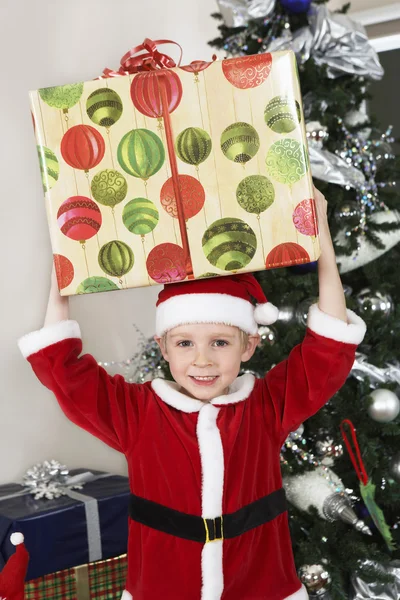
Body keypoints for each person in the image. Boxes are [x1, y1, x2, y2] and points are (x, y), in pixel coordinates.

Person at [17, 187, 366, 600]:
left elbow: (328, 350)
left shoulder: (266, 407)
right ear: (163, 347)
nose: (202, 361)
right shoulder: (135, 413)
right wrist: (65, 268)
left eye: (220, 342)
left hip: (259, 587)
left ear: (249, 346)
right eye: (185, 344)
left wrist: (321, 238)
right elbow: (62, 369)